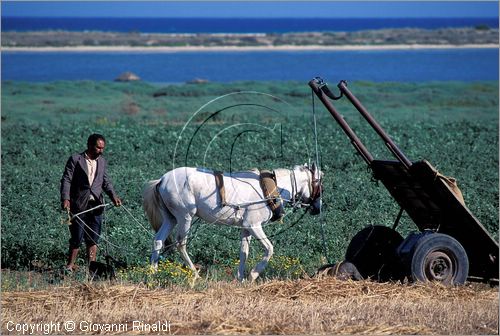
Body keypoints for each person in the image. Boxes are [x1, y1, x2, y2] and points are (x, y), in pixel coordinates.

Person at [60, 133, 122, 272]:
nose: (100, 151)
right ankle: (70, 265)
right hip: (79, 204)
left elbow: (105, 181)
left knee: (93, 237)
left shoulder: (102, 161)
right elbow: (66, 179)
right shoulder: (76, 159)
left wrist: (113, 196)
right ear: (89, 145)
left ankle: (92, 266)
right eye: (98, 148)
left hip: (96, 205)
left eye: (102, 148)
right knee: (77, 236)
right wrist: (66, 198)